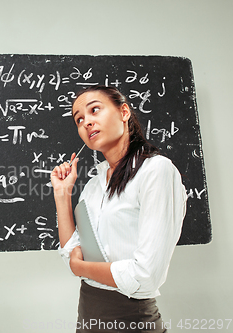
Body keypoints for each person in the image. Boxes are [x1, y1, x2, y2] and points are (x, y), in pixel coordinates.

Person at [51, 85, 187, 332]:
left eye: (95, 110)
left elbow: (145, 276)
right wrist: (62, 194)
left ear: (124, 112)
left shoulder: (155, 171)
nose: (87, 122)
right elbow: (72, 251)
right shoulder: (94, 185)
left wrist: (81, 269)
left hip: (132, 321)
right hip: (88, 319)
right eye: (79, 119)